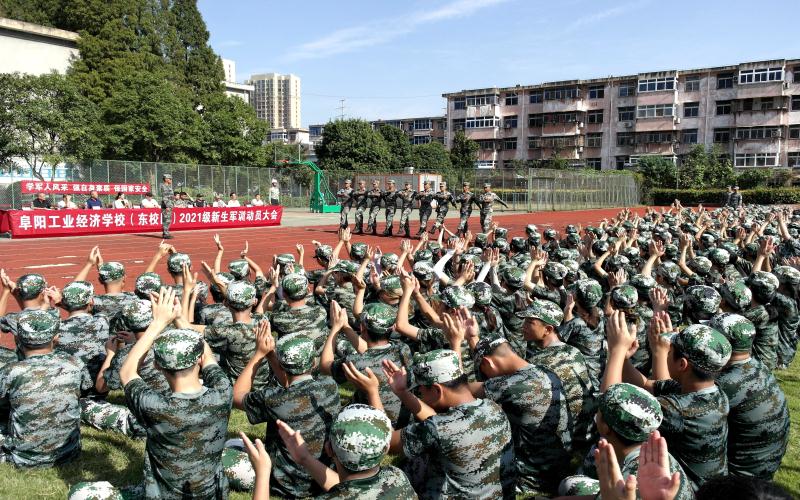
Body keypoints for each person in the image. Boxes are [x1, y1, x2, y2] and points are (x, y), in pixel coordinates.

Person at [0, 310, 92, 467]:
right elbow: (85, 389)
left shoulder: (10, 372)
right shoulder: (75, 364)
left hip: (22, 458)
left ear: (18, 338)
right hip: (69, 453)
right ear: (56, 337)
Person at [160, 174, 174, 239]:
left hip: (169, 205)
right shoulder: (164, 186)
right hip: (166, 206)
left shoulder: (168, 186)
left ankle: (166, 233)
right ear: (166, 179)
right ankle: (165, 234)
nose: (171, 180)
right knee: (166, 220)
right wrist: (167, 206)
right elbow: (165, 197)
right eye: (170, 179)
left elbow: (170, 197)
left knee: (168, 220)